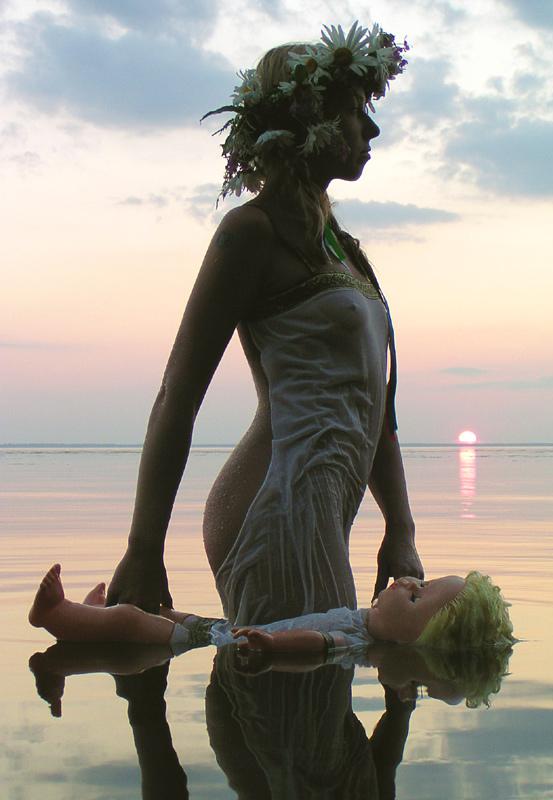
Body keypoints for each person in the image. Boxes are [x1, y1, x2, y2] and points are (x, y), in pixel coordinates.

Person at [106, 21, 422, 625]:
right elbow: (177, 395)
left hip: (322, 510)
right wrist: (144, 549)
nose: (372, 128)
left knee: (313, 679)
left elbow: (376, 405)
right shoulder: (251, 233)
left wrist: (400, 529)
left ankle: (132, 637)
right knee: (300, 678)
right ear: (308, 120)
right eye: (355, 111)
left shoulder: (347, 251)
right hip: (273, 504)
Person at [30, 564, 514, 657]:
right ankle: (94, 619)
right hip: (231, 627)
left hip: (233, 640)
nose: (407, 582)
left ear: (414, 638)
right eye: (420, 583)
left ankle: (59, 616)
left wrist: (274, 645)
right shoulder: (362, 621)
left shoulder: (357, 641)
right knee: (167, 612)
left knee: (139, 624)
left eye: (415, 596)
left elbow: (316, 644)